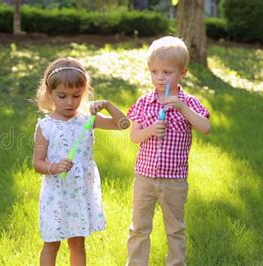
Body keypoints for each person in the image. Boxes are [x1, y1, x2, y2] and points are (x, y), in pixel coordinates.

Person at [33, 57, 130, 266]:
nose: (70, 102)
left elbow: (123, 124)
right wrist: (54, 167)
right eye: (62, 96)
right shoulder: (46, 126)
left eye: (76, 96)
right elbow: (37, 163)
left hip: (79, 193)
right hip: (56, 194)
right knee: (51, 243)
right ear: (50, 94)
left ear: (84, 92)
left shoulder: (88, 120)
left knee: (77, 244)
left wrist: (107, 105)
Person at [126, 36, 211, 266]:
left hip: (174, 180)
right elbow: (134, 136)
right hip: (145, 177)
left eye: (167, 72)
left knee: (175, 230)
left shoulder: (188, 102)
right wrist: (151, 130)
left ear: (182, 73)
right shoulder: (144, 102)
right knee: (139, 228)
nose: (160, 77)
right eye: (155, 71)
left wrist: (182, 107)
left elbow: (205, 127)